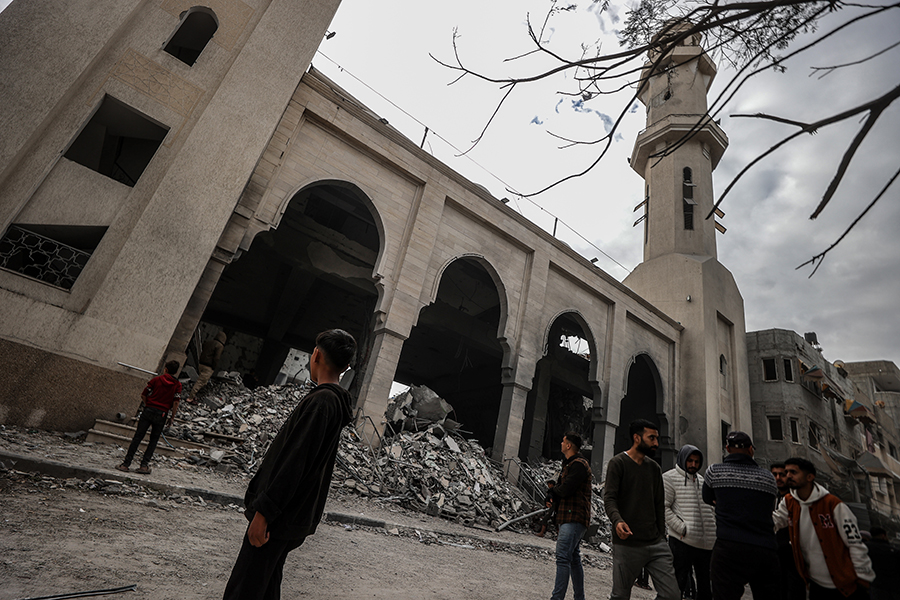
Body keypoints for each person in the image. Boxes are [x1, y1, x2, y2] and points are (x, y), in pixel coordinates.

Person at [222, 329, 356, 600]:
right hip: (292, 514)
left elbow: (294, 462)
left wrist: (264, 513)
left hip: (278, 516)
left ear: (316, 355)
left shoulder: (322, 401)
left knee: (244, 589)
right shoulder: (332, 402)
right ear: (345, 367)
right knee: (266, 586)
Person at [773, 457, 874, 600]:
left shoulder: (832, 504)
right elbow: (774, 521)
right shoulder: (789, 502)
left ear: (810, 477)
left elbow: (854, 544)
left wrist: (863, 579)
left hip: (844, 585)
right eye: (787, 472)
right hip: (815, 585)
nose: (788, 476)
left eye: (793, 472)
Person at [603, 419, 680, 600]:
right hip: (627, 544)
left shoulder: (654, 468)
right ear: (637, 438)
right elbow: (610, 498)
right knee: (620, 596)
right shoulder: (618, 463)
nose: (656, 443)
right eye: (651, 438)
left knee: (672, 595)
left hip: (655, 543)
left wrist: (662, 537)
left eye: (657, 438)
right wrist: (617, 521)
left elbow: (658, 505)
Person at [702, 431, 780, 600]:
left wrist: (725, 501)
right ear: (751, 450)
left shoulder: (714, 472)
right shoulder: (768, 478)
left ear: (727, 449)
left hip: (728, 547)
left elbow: (707, 498)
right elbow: (769, 506)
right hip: (764, 547)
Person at [663, 444, 716, 600]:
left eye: (696, 462)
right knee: (678, 584)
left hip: (706, 544)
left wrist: (713, 531)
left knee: (706, 588)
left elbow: (710, 508)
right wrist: (682, 528)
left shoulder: (702, 480)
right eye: (690, 461)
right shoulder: (669, 478)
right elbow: (663, 507)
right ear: (683, 459)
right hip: (682, 541)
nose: (693, 464)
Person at [546, 432, 592, 600]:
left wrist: (553, 491)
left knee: (563, 557)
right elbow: (561, 488)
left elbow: (565, 489)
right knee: (573, 558)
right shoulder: (570, 464)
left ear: (568, 445)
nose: (561, 443)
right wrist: (552, 495)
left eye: (563, 441)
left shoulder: (579, 464)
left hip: (574, 517)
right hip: (569, 517)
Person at [117, 360, 182, 475]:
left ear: (165, 369)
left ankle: (126, 464)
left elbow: (144, 394)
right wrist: (172, 417)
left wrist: (148, 405)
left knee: (138, 437)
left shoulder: (156, 380)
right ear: (176, 372)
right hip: (162, 414)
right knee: (153, 440)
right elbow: (176, 402)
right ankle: (144, 466)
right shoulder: (177, 385)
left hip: (148, 411)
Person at [772, 462, 807, 600]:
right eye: (775, 474)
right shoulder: (771, 498)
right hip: (775, 552)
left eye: (781, 474)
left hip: (794, 553)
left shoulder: (797, 499)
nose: (778, 478)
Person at [188, 329, 227, 402]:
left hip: (201, 364)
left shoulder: (209, 342)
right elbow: (217, 357)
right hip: (208, 367)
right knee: (200, 382)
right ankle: (190, 398)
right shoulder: (219, 346)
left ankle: (195, 395)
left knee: (203, 382)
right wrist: (214, 367)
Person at [865, 527, 900, 600]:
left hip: (874, 584)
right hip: (893, 586)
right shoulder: (892, 550)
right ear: (883, 536)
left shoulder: (865, 548)